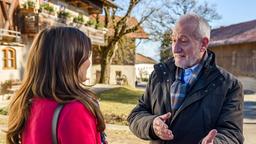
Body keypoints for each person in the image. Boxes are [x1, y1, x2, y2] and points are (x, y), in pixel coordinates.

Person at [128, 13, 244, 144]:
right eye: (173, 40)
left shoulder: (229, 85)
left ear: (203, 44)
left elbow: (233, 134)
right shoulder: (159, 74)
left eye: (183, 41)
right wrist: (151, 124)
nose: (175, 49)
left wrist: (216, 142)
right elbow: (136, 114)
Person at [6, 27, 106, 144]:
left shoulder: (27, 104)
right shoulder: (74, 111)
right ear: (70, 60)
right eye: (86, 56)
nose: (89, 62)